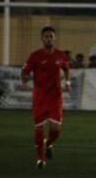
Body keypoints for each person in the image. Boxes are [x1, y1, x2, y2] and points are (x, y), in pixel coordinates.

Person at [20, 26, 71, 169]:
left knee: (56, 129)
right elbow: (24, 71)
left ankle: (47, 144)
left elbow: (66, 68)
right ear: (42, 38)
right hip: (40, 96)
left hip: (55, 96)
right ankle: (40, 159)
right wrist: (24, 81)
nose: (49, 39)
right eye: (46, 36)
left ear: (54, 38)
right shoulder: (35, 56)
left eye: (51, 36)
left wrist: (67, 82)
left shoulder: (60, 55)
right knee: (39, 127)